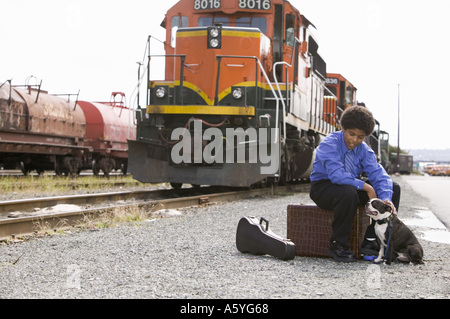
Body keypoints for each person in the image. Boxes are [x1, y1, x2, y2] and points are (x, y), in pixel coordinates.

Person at [309, 106, 401, 262]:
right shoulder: (329, 144)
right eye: (351, 134)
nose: (354, 140)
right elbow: (337, 176)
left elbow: (379, 174)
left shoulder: (364, 150)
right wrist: (367, 188)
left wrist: (386, 198)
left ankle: (372, 240)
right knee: (347, 191)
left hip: (349, 187)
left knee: (394, 188)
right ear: (343, 128)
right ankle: (338, 245)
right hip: (324, 188)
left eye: (360, 137)